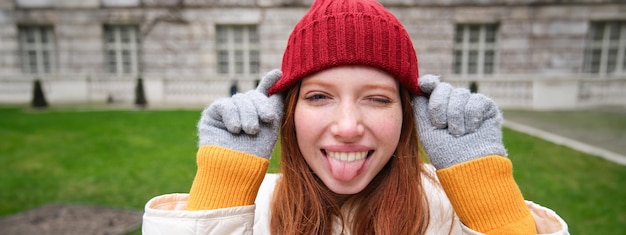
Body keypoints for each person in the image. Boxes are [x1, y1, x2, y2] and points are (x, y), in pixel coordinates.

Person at [142, 0, 569, 234]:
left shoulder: (455, 213)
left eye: (378, 100)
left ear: (410, 114)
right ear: (287, 112)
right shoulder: (250, 210)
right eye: (320, 96)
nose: (347, 127)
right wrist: (220, 189)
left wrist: (489, 203)